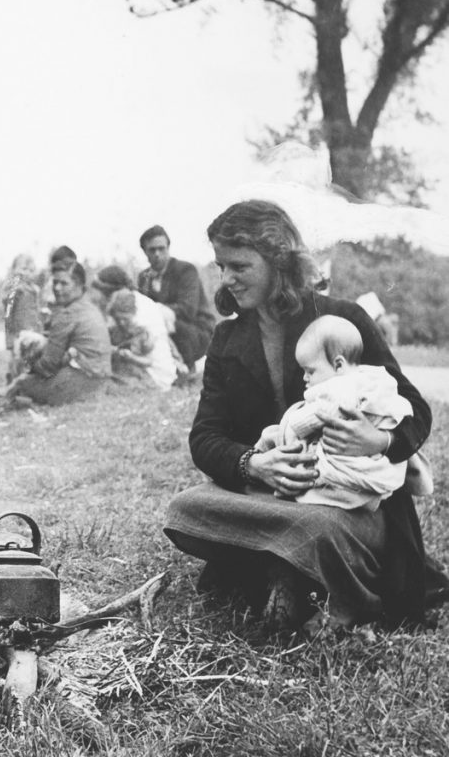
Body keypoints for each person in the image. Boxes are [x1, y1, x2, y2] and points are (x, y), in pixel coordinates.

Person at [164, 200, 446, 631]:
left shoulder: (342, 319)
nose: (226, 279)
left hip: (346, 502)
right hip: (273, 497)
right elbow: (205, 437)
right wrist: (255, 464)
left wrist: (381, 442)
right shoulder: (226, 338)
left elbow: (413, 408)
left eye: (239, 266)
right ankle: (293, 564)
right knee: (184, 509)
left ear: (279, 261)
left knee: (318, 527)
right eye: (221, 266)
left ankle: (292, 570)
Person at [255, 315, 432, 511]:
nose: (305, 377)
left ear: (338, 365)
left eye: (310, 371)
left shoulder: (340, 389)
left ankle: (271, 463)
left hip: (347, 462)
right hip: (367, 463)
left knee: (278, 434)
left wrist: (291, 424)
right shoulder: (371, 379)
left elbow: (309, 420)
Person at [0, 262, 111, 407]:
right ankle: (4, 392)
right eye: (55, 282)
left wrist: (26, 371)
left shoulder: (68, 314)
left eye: (64, 284)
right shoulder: (88, 307)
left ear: (79, 286)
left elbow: (48, 366)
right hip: (100, 380)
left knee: (23, 384)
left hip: (82, 382)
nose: (57, 288)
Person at [137, 225, 216, 372]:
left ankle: (187, 368)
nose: (157, 254)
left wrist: (155, 312)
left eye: (162, 248)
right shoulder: (144, 277)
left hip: (197, 330)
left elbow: (188, 310)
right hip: (163, 328)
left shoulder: (185, 270)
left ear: (168, 247)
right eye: (152, 250)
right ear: (144, 251)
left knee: (173, 326)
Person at [106, 287, 177, 391]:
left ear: (133, 314)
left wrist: (131, 357)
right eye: (117, 319)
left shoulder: (142, 333)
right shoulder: (115, 330)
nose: (121, 323)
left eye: (125, 319)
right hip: (127, 369)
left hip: (146, 372)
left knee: (119, 386)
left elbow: (149, 361)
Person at [2, 253, 42, 380]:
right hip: (17, 329)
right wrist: (10, 329)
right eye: (23, 269)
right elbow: (7, 308)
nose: (27, 273)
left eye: (31, 270)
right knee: (17, 356)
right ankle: (12, 379)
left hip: (32, 327)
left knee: (30, 355)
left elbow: (35, 309)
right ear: (14, 269)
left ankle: (25, 380)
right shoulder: (14, 288)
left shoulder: (34, 289)